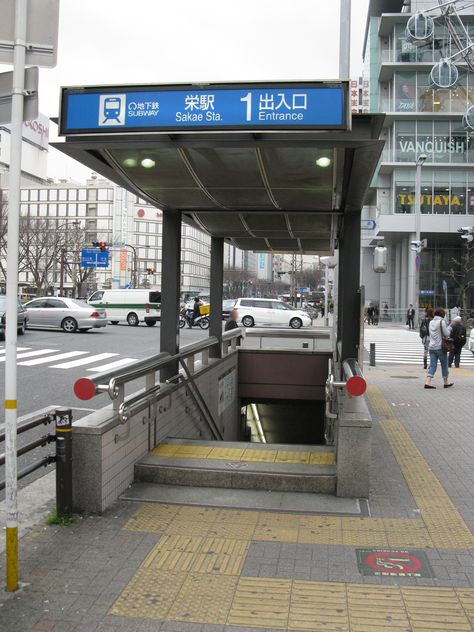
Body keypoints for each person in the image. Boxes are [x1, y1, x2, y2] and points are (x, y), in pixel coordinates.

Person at [424, 307, 453, 389]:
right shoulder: (442, 322)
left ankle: (428, 382)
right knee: (444, 365)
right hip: (440, 347)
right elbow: (446, 334)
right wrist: (449, 328)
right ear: (442, 314)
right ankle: (446, 382)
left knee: (432, 365)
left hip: (431, 347)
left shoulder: (431, 322)